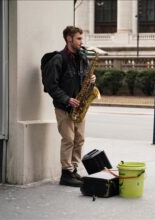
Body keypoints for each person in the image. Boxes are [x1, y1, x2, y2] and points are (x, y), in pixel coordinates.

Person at [43, 26, 96, 187]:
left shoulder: (82, 58)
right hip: (64, 106)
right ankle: (66, 173)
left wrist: (92, 80)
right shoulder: (58, 59)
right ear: (69, 39)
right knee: (69, 139)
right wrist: (67, 99)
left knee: (79, 139)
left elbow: (85, 80)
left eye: (81, 38)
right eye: (79, 38)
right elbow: (50, 85)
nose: (82, 41)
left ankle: (73, 170)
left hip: (79, 106)